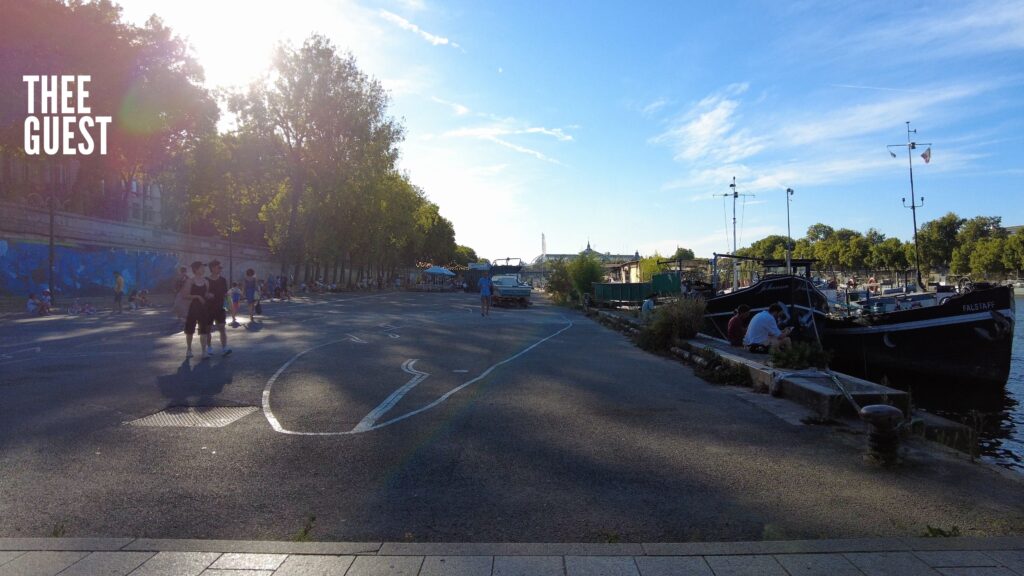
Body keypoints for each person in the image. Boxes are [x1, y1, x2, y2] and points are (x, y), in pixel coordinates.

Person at [181, 261, 212, 359]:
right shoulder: (190, 281)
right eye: (202, 267)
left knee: (203, 330)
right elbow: (185, 295)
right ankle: (189, 349)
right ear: (195, 269)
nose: (204, 269)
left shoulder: (206, 281)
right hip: (193, 308)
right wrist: (197, 296)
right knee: (190, 330)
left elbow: (206, 294)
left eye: (204, 267)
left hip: (203, 308)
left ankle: (204, 351)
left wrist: (209, 295)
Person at [206, 260, 232, 357]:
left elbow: (226, 294)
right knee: (208, 329)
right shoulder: (206, 280)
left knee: (222, 327)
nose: (220, 269)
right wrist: (207, 294)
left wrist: (228, 306)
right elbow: (202, 292)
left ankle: (224, 348)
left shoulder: (223, 280)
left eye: (220, 267)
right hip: (208, 308)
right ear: (212, 268)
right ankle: (209, 348)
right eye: (218, 267)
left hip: (220, 307)